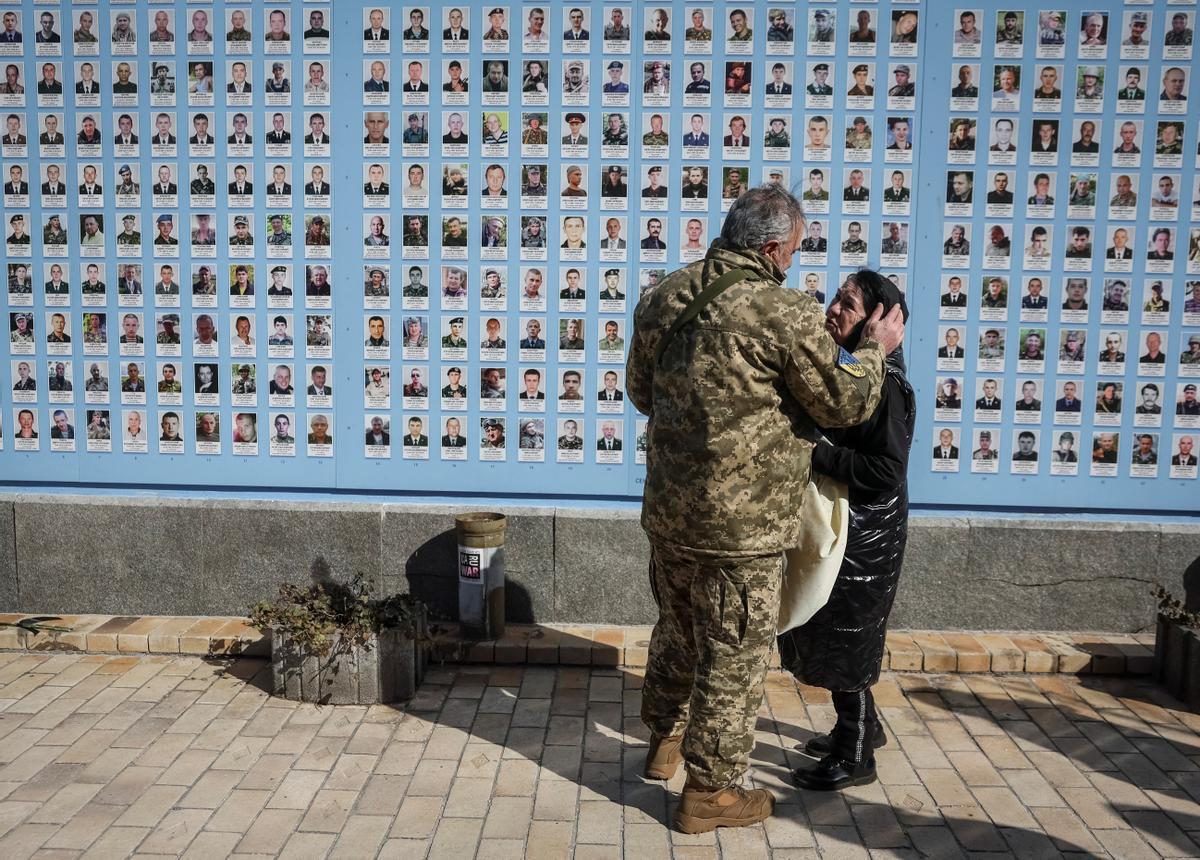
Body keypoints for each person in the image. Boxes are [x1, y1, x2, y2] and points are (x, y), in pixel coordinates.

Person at [627, 185, 903, 831]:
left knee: (679, 627)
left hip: (671, 511)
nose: (794, 263)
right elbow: (843, 404)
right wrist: (874, 350)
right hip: (742, 525)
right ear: (774, 247)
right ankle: (711, 793)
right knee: (733, 653)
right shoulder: (783, 312)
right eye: (796, 251)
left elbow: (643, 393)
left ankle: (663, 740)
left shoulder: (665, 295)